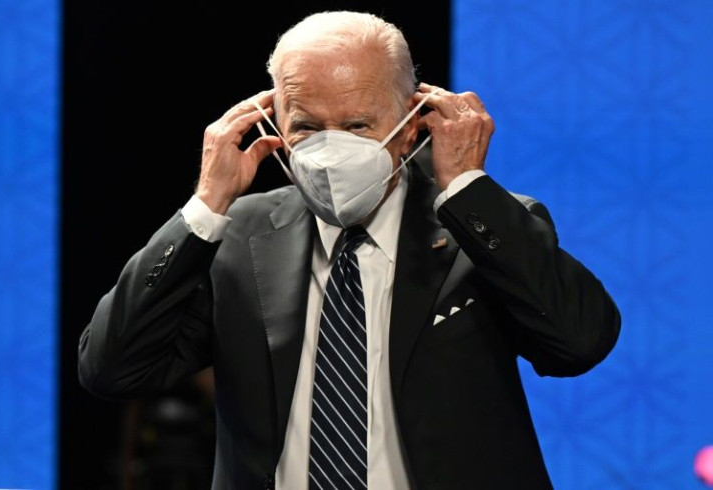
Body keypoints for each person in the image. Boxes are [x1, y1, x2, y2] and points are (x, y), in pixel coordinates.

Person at [78, 10, 621, 490]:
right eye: (307, 126)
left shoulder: (481, 228)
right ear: (274, 127)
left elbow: (579, 343)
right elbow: (113, 369)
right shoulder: (236, 235)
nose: (331, 147)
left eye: (358, 125)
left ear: (411, 126)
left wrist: (469, 189)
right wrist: (205, 205)